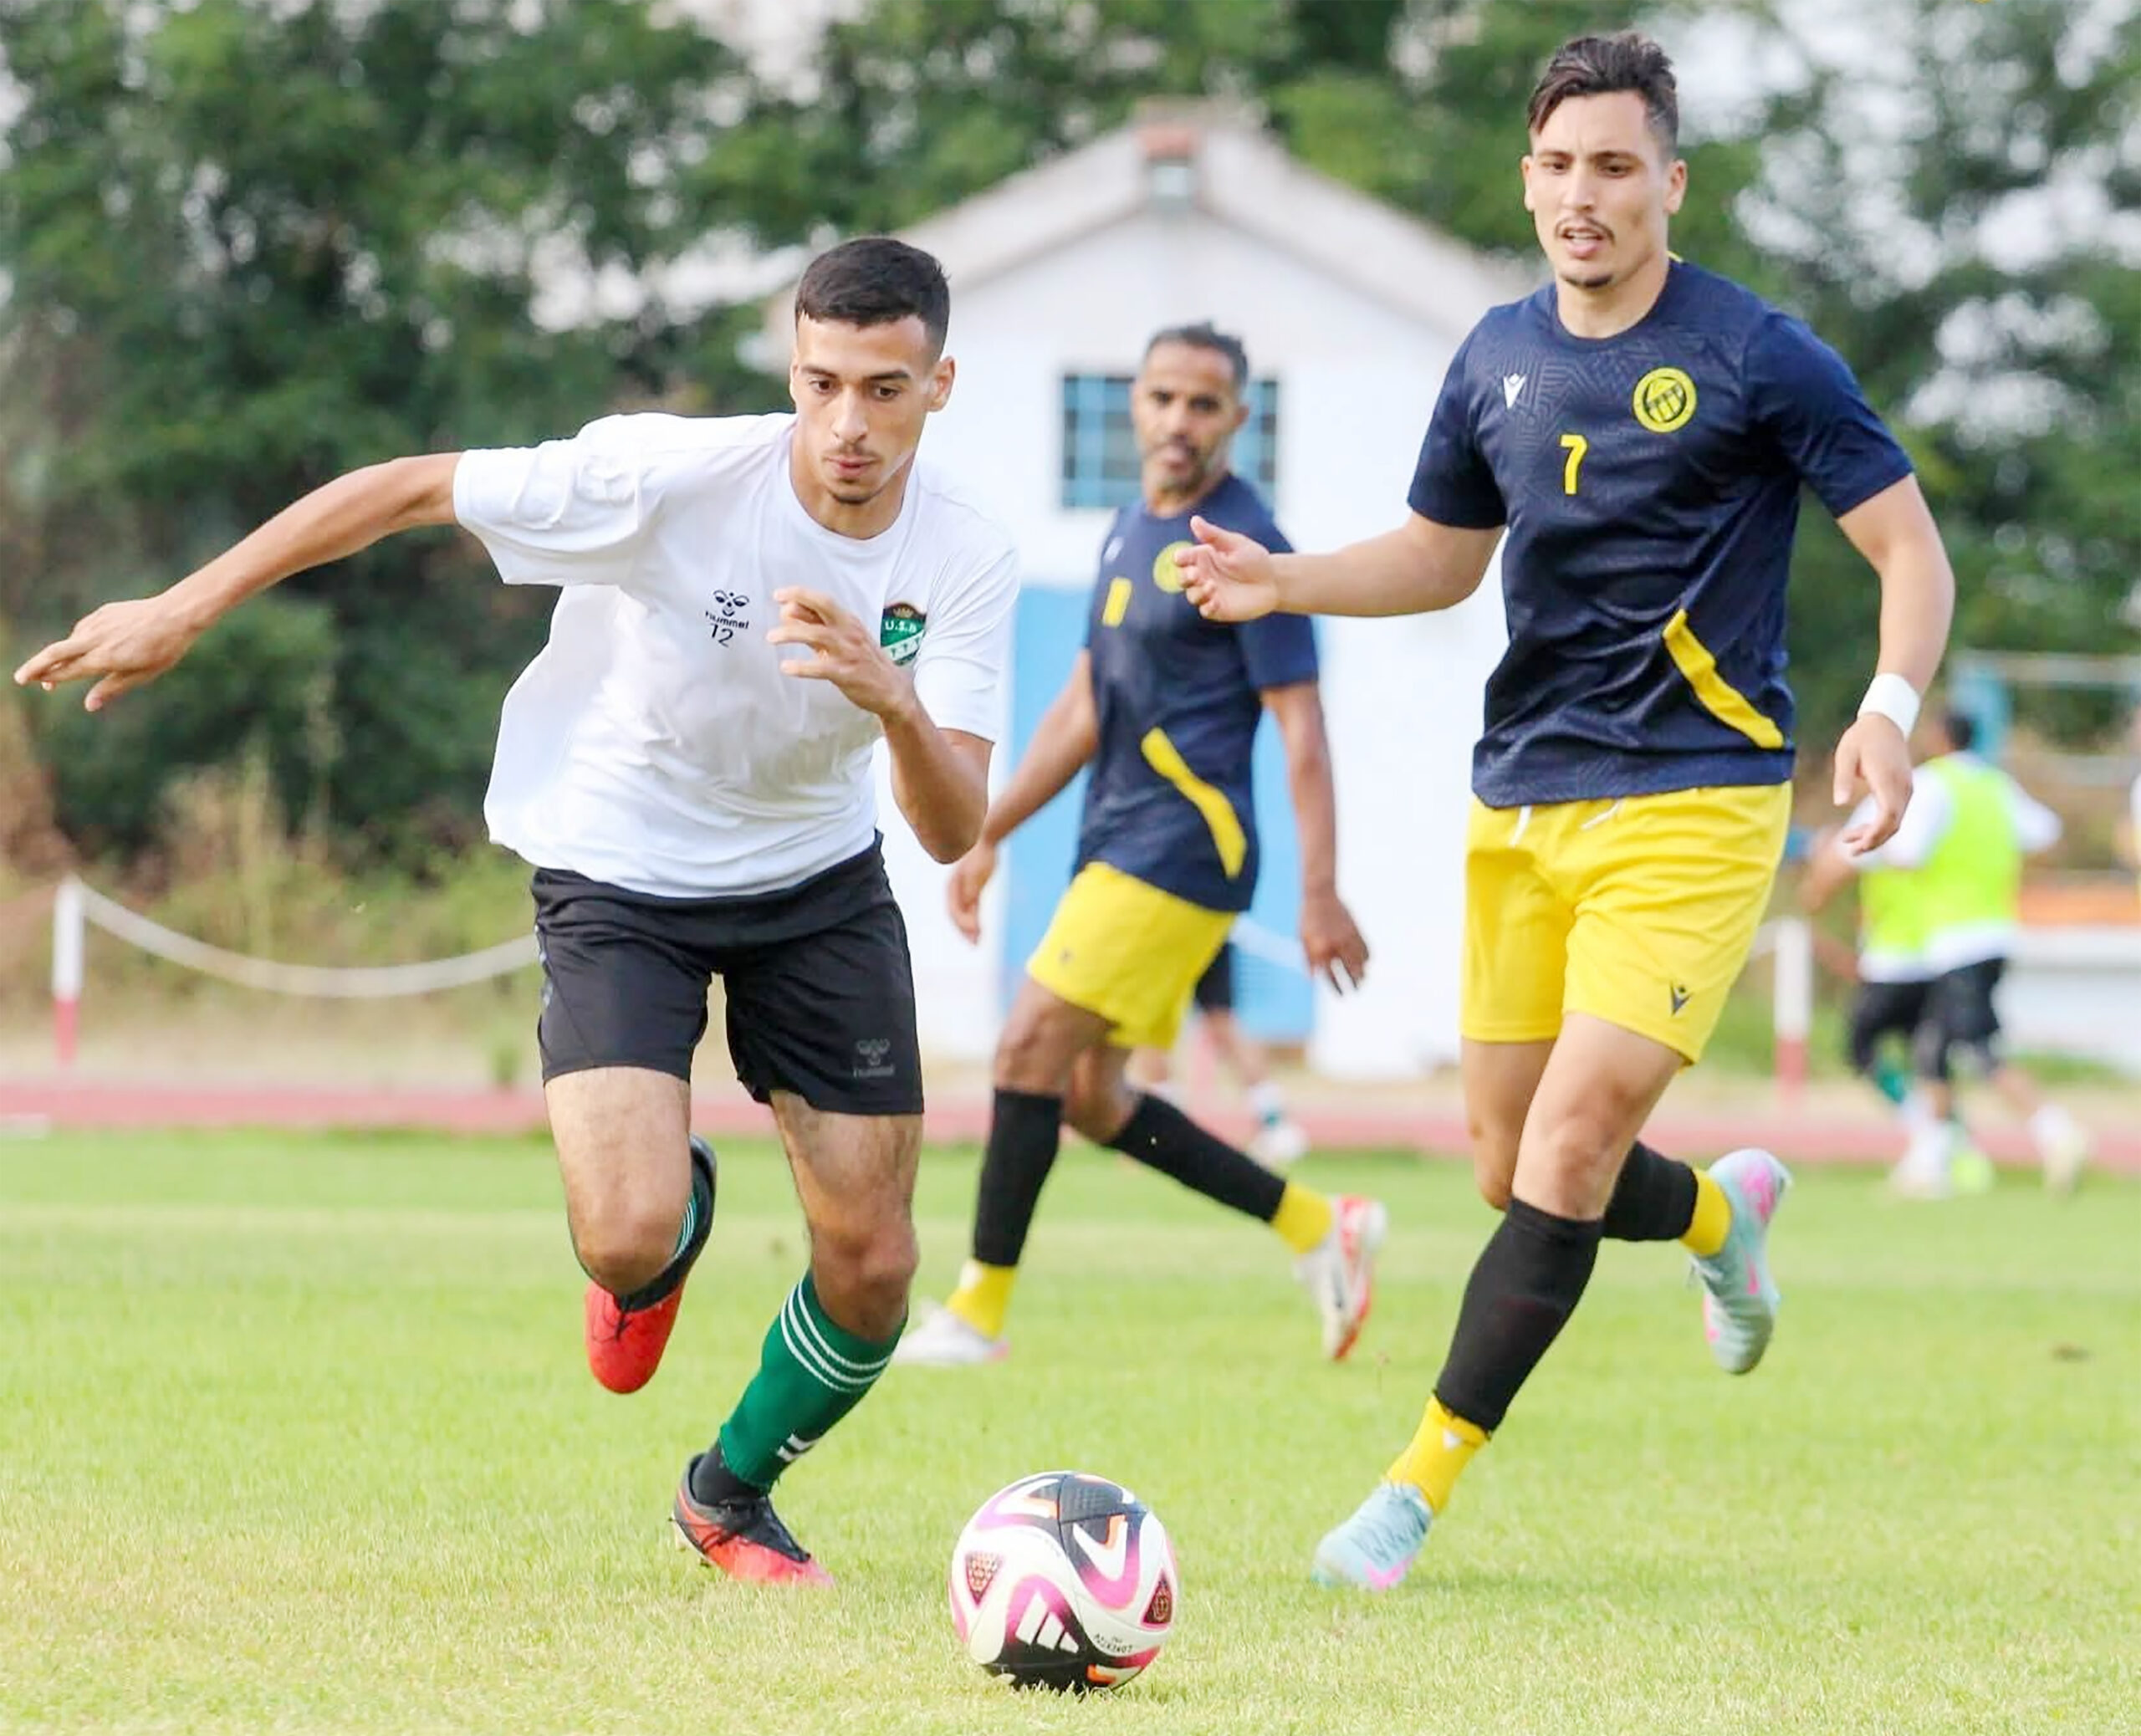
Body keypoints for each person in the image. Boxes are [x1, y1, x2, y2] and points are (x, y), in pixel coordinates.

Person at [16, 237, 1019, 1587]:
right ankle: (668, 1227)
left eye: (885, 391)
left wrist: (891, 700)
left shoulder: (964, 553)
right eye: (821, 383)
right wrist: (185, 609)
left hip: (816, 881)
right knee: (622, 1230)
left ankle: (729, 1493)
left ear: (940, 384)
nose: (847, 424)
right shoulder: (667, 479)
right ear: (791, 365)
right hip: (622, 861)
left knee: (875, 1265)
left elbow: (958, 823)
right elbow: (410, 489)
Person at [1177, 32, 1955, 1590]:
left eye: (1615, 166)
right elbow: (1442, 555)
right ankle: (1721, 1223)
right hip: (1523, 795)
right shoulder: (1492, 358)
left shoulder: (1760, 354)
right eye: (1557, 165)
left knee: (1574, 1141)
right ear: (1526, 178)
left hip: (1700, 800)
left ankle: (1411, 1491)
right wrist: (1288, 578)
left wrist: (1883, 716)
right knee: (1508, 1162)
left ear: (1671, 181)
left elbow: (1911, 553)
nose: (1583, 195)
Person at [892, 320, 1380, 1371]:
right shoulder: (1127, 527)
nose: (1177, 421)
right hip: (1115, 837)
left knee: (1024, 1049)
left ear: (1237, 419)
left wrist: (1322, 891)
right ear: (1135, 406)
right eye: (1161, 398)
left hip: (1181, 846)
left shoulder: (1247, 546)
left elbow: (1302, 727)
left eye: (1203, 404)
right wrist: (987, 832)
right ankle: (1314, 1226)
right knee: (1088, 1095)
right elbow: (1081, 706)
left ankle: (978, 1312)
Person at [1838, 709, 2087, 1197]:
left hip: (1953, 937)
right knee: (1934, 1051)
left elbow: (1908, 854)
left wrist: (1866, 853)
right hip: (1995, 932)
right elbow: (2047, 835)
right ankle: (1933, 1160)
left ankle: (2055, 1131)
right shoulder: (1996, 786)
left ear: (1936, 737)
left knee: (1973, 1050)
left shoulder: (1933, 785)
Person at [1798, 804, 1990, 1192]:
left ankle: (1927, 1136)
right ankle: (1958, 1148)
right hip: (1934, 957)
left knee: (1861, 1047)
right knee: (1928, 1061)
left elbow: (1830, 872)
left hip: (1896, 960)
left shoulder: (1876, 819)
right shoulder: (1931, 819)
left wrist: (1813, 890)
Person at [1128, 938, 1314, 1169]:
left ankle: (1162, 1133)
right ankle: (1275, 1124)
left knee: (1152, 1024)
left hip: (1168, 927)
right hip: (1209, 924)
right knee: (1221, 1023)